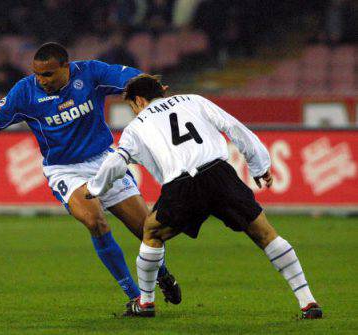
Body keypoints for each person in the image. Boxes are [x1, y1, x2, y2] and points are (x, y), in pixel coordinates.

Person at [85, 74, 322, 319]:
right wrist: (259, 165)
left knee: (152, 232)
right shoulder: (194, 100)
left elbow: (118, 160)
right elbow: (233, 126)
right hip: (220, 175)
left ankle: (146, 303)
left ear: (140, 101)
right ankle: (308, 301)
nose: (133, 111)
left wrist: (95, 188)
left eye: (132, 105)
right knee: (265, 233)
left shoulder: (136, 126)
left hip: (183, 185)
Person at [0, 43, 181, 306]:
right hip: (64, 170)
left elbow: (130, 78)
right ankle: (135, 295)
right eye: (37, 74)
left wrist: (153, 91)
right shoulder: (25, 91)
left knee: (147, 230)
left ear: (65, 68)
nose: (41, 80)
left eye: (47, 74)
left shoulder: (90, 74)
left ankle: (162, 275)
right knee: (96, 222)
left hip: (104, 160)